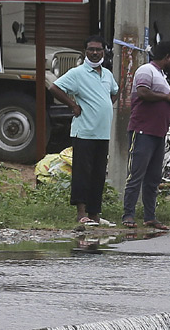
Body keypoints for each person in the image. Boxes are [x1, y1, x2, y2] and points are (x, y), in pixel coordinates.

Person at [50, 35, 119, 227]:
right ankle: (81, 214)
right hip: (84, 132)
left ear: (104, 52)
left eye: (98, 50)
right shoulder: (77, 73)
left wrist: (104, 107)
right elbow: (54, 88)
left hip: (102, 133)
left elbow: (115, 92)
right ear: (85, 52)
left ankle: (94, 214)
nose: (95, 53)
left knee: (98, 174)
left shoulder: (106, 74)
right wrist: (73, 105)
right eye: (91, 49)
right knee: (82, 174)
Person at [121, 41, 170, 231]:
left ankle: (150, 217)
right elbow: (144, 93)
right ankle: (128, 214)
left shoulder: (161, 75)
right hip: (143, 131)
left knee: (153, 177)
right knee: (136, 174)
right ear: (167, 57)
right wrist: (166, 97)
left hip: (158, 132)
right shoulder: (146, 70)